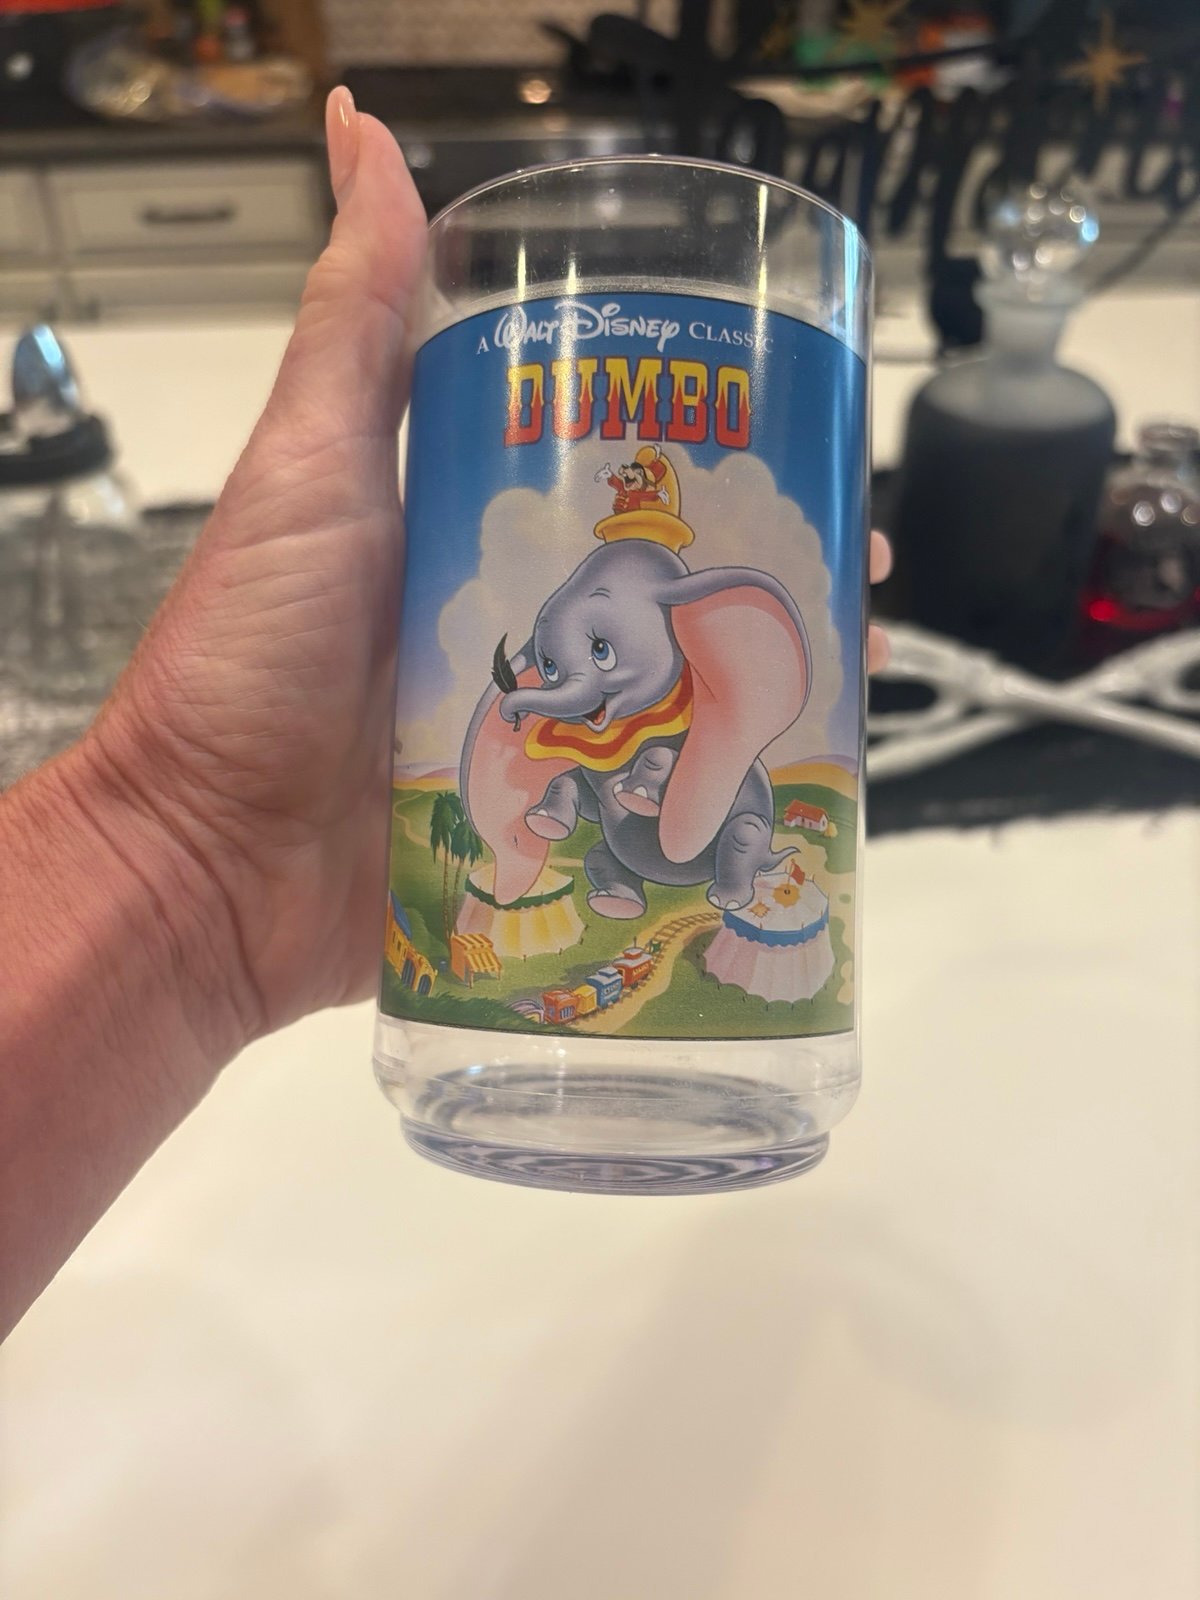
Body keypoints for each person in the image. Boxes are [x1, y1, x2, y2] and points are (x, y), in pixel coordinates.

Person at [0, 90, 893, 1339]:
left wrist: (185, 868)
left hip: (747, 1028)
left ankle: (723, 883)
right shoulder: (572, 695)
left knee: (725, 825)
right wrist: (190, 840)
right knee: (610, 837)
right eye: (570, 642)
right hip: (484, 1061)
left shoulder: (712, 687)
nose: (572, 672)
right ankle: (617, 884)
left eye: (599, 650)